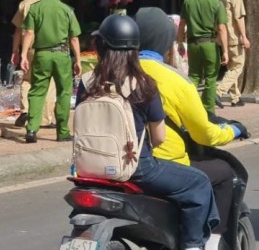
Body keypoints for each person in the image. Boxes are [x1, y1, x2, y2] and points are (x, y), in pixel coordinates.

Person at [79, 14, 219, 250]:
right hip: (137, 169)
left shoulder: (86, 82)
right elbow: (159, 137)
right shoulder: (143, 84)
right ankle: (193, 245)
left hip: (88, 169)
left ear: (100, 47)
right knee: (199, 183)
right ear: (135, 50)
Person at [135, 7, 247, 250]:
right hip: (156, 164)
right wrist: (234, 130)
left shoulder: (110, 74)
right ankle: (208, 242)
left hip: (104, 164)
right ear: (167, 43)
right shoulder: (172, 79)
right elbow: (204, 134)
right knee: (222, 172)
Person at [20, 0, 82, 143]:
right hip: (62, 55)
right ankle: (62, 132)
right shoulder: (67, 10)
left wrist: (24, 54)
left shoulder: (35, 8)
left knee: (37, 91)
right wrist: (78, 60)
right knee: (63, 92)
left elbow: (29, 33)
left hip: (41, 55)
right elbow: (74, 38)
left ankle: (32, 129)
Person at [177, 0, 229, 113]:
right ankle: (208, 110)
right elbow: (222, 29)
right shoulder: (216, 2)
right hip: (209, 45)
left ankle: (189, 108)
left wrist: (181, 43)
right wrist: (225, 51)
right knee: (211, 79)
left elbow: (182, 25)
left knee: (193, 76)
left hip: (193, 44)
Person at [11, 0, 56, 128]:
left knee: (27, 79)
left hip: (28, 49)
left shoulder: (25, 3)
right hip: (47, 48)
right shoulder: (52, 3)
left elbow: (17, 30)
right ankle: (44, 119)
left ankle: (25, 110)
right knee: (48, 82)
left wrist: (15, 51)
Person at [216, 0, 250, 107]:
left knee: (231, 67)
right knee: (237, 67)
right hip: (234, 37)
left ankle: (235, 98)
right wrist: (244, 36)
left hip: (222, 37)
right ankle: (218, 92)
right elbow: (239, 18)